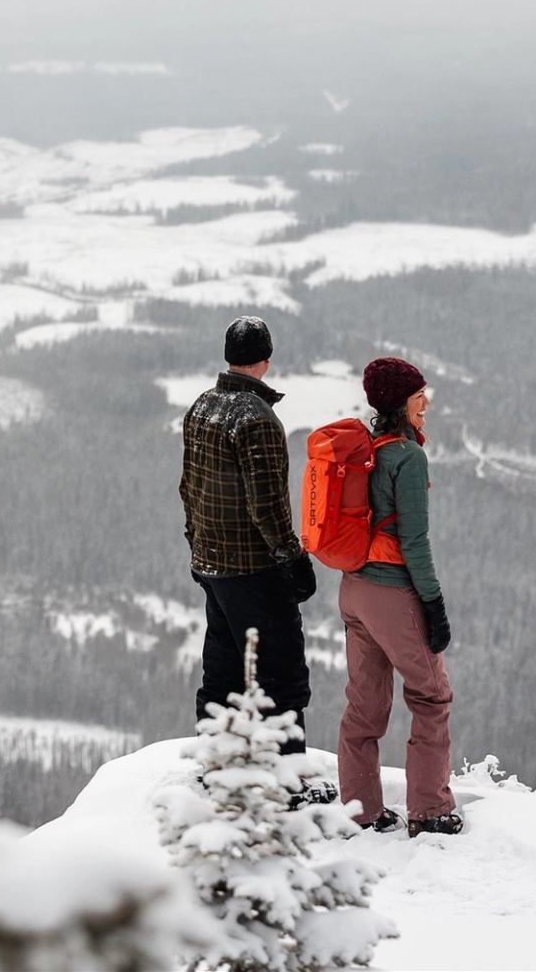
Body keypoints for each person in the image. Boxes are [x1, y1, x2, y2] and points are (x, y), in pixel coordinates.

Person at [179, 315, 320, 757]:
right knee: (281, 678)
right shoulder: (257, 418)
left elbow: (189, 487)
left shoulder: (202, 407)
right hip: (254, 571)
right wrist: (294, 562)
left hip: (212, 566)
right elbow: (268, 504)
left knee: (221, 674)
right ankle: (289, 785)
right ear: (267, 359)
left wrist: (196, 546)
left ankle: (217, 767)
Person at [338, 355, 461, 836]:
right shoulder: (408, 458)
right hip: (392, 593)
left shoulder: (364, 448)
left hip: (353, 590)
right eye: (417, 396)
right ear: (398, 403)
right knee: (431, 695)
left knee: (364, 705)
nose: (425, 402)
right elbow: (414, 540)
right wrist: (433, 602)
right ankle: (430, 811)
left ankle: (360, 810)